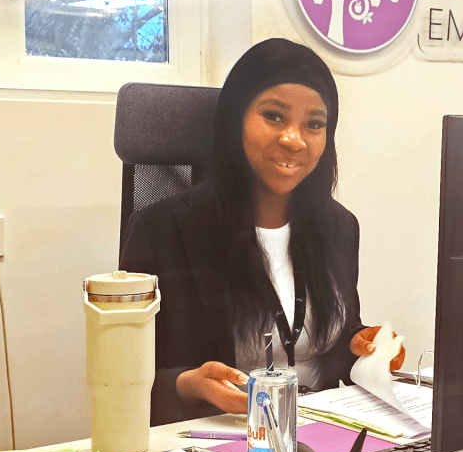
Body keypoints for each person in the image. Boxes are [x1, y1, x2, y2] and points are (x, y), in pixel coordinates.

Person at [120, 38, 405, 425]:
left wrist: (359, 341)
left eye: (314, 124)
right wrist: (190, 384)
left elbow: (324, 340)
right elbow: (124, 378)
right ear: (235, 121)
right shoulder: (162, 230)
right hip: (218, 434)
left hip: (323, 428)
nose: (293, 139)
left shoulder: (339, 226)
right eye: (274, 116)